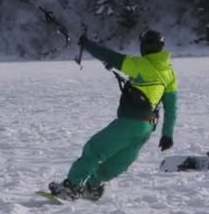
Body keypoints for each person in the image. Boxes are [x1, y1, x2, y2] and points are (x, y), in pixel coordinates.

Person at [48, 29, 179, 201]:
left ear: (144, 47)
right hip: (146, 129)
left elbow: (109, 55)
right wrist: (167, 134)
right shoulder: (169, 71)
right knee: (119, 161)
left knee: (94, 149)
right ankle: (93, 187)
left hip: (129, 123)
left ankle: (72, 186)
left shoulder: (139, 64)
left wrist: (87, 44)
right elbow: (171, 107)